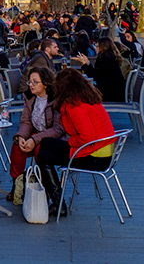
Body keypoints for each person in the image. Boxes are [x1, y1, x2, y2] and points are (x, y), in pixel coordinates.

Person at [35, 68, 117, 217]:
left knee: (43, 156)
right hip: (102, 152)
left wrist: (70, 141)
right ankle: (53, 200)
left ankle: (57, 203)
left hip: (93, 156)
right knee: (45, 143)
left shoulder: (76, 107)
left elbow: (87, 137)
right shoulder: (87, 98)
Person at [8, 67, 63, 195]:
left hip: (52, 138)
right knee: (17, 147)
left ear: (45, 84)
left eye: (35, 82)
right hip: (36, 133)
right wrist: (21, 136)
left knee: (40, 151)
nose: (31, 85)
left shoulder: (55, 99)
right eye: (29, 82)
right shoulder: (30, 97)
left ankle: (43, 186)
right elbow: (26, 121)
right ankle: (17, 185)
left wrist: (34, 140)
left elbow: (58, 129)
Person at [72, 37, 126, 103]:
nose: (95, 48)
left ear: (103, 47)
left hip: (110, 93)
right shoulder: (110, 57)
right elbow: (98, 73)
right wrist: (87, 62)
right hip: (116, 91)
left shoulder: (105, 58)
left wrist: (85, 63)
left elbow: (94, 74)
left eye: (97, 46)